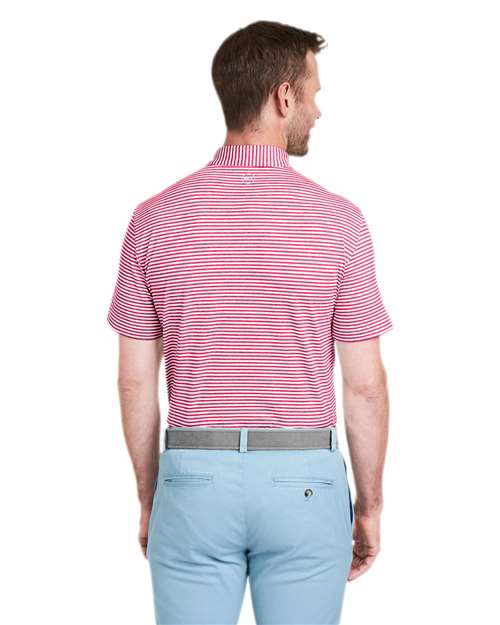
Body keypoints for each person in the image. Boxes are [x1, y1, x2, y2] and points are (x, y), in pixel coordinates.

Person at [107, 19, 393, 625]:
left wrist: (152, 494)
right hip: (305, 483)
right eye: (312, 93)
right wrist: (369, 505)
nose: (318, 109)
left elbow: (134, 381)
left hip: (193, 479)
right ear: (283, 96)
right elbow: (365, 385)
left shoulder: (154, 218)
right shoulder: (338, 221)